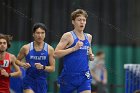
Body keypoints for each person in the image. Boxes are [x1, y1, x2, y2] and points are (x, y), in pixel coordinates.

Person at [54, 9, 94, 93]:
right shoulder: (68, 36)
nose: (82, 22)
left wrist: (91, 55)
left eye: (84, 20)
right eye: (79, 20)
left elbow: (88, 48)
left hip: (84, 76)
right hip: (69, 77)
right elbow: (56, 54)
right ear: (73, 22)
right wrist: (73, 49)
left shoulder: (88, 37)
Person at [16, 23, 55, 93]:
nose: (40, 35)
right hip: (29, 80)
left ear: (45, 34)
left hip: (42, 82)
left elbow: (52, 68)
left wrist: (43, 67)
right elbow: (17, 60)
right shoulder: (26, 48)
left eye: (42, 33)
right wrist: (22, 64)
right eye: (37, 33)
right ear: (33, 34)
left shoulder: (50, 49)